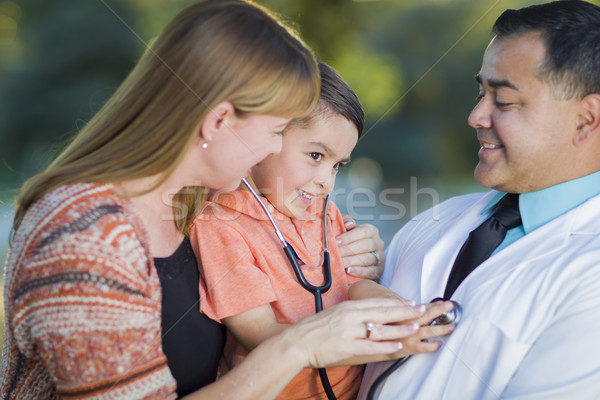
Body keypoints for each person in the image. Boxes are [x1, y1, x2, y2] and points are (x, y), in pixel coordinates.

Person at [0, 1, 435, 399]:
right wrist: (300, 346)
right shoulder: (84, 238)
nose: (274, 151)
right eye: (277, 130)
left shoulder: (197, 204)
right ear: (219, 121)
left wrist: (355, 263)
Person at [358, 1, 600, 399]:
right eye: (480, 93)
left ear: (586, 119)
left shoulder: (588, 273)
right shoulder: (434, 221)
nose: (475, 116)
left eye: (503, 101)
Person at [191, 60, 455, 400]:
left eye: (337, 165)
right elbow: (264, 337)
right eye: (315, 155)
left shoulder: (322, 213)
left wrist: (407, 315)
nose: (325, 181)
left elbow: (354, 284)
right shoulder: (220, 226)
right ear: (265, 139)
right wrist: (389, 342)